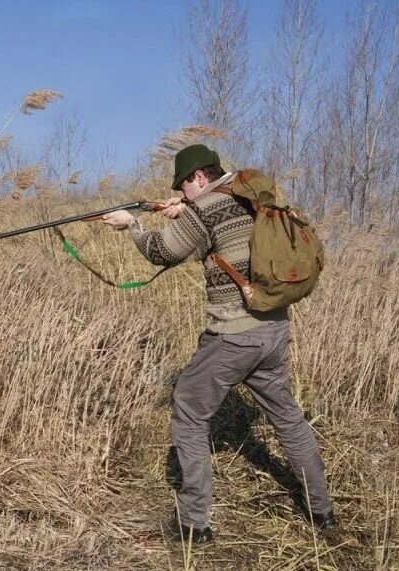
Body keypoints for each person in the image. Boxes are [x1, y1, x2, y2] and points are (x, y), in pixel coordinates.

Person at [101, 144, 337, 545]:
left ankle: (194, 524)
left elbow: (163, 252)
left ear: (198, 178)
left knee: (189, 410)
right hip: (273, 330)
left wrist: (132, 226)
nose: (182, 192)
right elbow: (216, 241)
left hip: (234, 334)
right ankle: (323, 512)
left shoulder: (205, 206)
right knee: (288, 418)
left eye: (184, 185)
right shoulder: (250, 195)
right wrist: (182, 211)